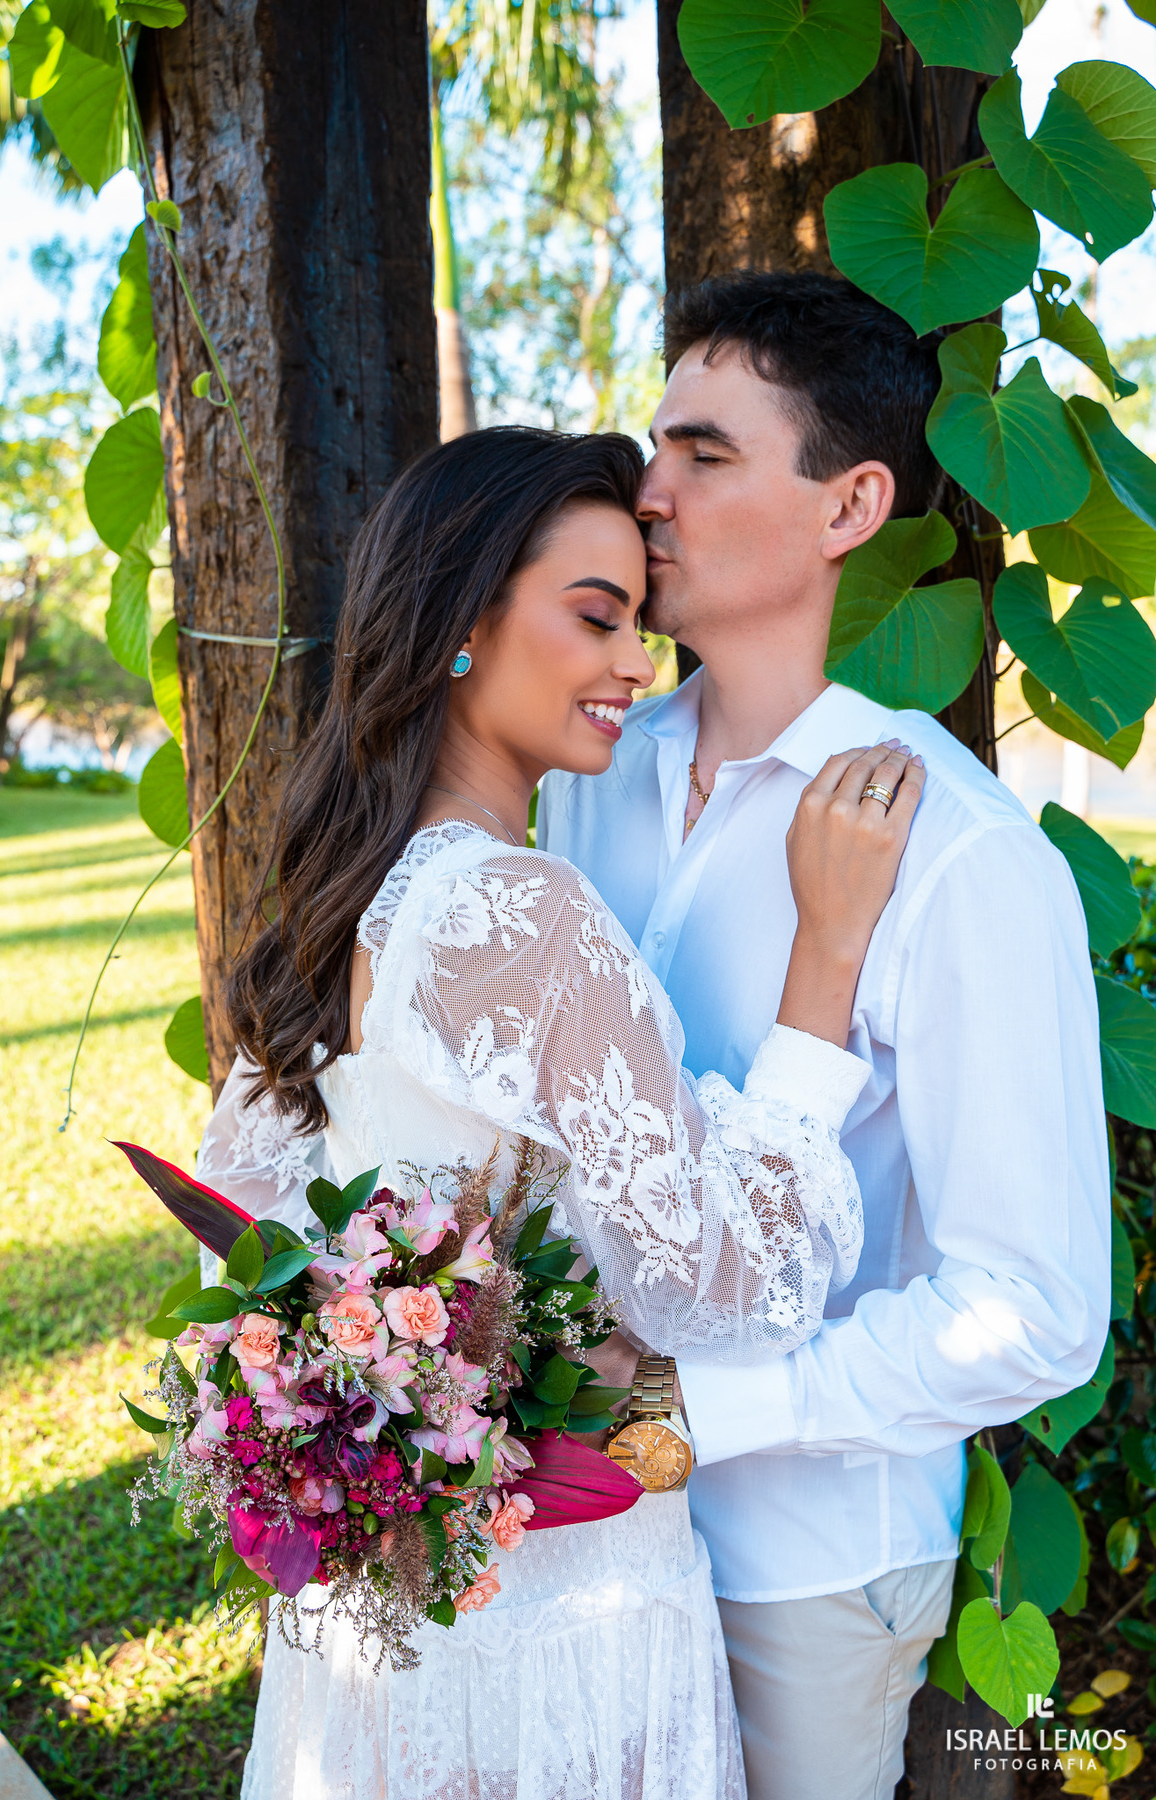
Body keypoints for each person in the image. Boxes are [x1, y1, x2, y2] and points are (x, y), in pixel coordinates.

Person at [196, 424, 925, 1800]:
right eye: (597, 617)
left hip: (384, 1617)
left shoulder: (337, 899)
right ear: (461, 623)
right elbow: (721, 1288)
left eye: (639, 623)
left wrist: (399, 1380)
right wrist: (825, 963)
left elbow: (240, 1235)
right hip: (560, 1613)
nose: (638, 665)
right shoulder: (518, 914)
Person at [537, 270, 1112, 1800]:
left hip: (801, 1568)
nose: (647, 496)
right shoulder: (589, 773)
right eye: (654, 447)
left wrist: (692, 1416)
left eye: (706, 455)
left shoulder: (959, 853)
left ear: (850, 506)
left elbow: (1039, 1308)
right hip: (572, 1529)